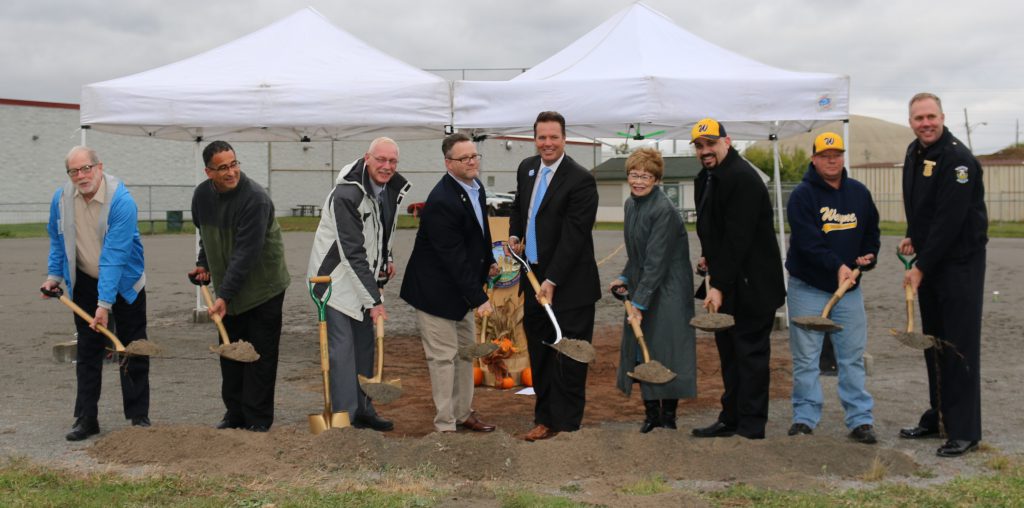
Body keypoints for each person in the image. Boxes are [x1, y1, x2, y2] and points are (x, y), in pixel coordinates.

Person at [897, 93, 988, 457]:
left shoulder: (958, 160)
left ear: (943, 117)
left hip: (959, 264)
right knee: (934, 342)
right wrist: (912, 235)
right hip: (932, 261)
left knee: (958, 345)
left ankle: (965, 430)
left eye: (931, 116)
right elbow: (922, 206)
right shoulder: (914, 152)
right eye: (919, 118)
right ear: (911, 121)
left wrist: (919, 267)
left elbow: (950, 221)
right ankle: (939, 417)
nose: (926, 123)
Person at [42, 145, 150, 441]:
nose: (81, 176)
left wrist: (105, 305)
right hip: (85, 282)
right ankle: (86, 418)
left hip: (126, 283)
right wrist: (54, 276)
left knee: (132, 346)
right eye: (74, 171)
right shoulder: (61, 199)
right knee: (88, 350)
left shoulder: (122, 201)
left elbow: (114, 257)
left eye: (86, 168)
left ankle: (138, 416)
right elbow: (57, 238)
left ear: (99, 167)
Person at [506, 111, 601, 442]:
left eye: (553, 137)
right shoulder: (527, 168)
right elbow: (520, 207)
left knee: (569, 359)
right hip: (532, 280)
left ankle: (568, 425)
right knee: (541, 355)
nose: (547, 143)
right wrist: (515, 234)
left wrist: (553, 280)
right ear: (535, 139)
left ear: (564, 139)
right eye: (542, 137)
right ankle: (545, 419)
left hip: (569, 287)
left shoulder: (580, 179)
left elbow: (575, 236)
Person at [689, 118, 786, 440]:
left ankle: (751, 426)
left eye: (710, 144)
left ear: (727, 141)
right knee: (729, 356)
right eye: (700, 146)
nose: (705, 151)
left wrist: (717, 285)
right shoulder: (705, 178)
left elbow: (737, 239)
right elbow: (713, 230)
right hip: (729, 283)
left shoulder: (743, 178)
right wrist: (708, 258)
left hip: (753, 287)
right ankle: (730, 418)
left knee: (751, 357)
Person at [308, 137, 410, 432]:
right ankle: (342, 422)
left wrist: (386, 258)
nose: (387, 166)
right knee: (343, 352)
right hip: (333, 282)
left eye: (392, 161)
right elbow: (350, 251)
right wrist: (374, 303)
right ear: (367, 158)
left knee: (365, 348)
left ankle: (364, 409)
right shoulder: (346, 195)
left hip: (364, 279)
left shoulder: (386, 189)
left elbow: (381, 231)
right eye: (381, 160)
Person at [785, 132, 880, 444]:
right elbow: (808, 241)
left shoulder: (858, 194)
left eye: (837, 154)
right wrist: (836, 265)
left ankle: (860, 420)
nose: (831, 159)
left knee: (851, 357)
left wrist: (868, 257)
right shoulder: (802, 196)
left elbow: (871, 232)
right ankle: (805, 417)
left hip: (848, 291)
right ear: (814, 159)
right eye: (825, 155)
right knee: (806, 358)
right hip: (808, 288)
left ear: (843, 157)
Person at [400, 133, 499, 433]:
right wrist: (479, 298)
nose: (472, 162)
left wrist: (489, 260)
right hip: (435, 292)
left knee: (465, 354)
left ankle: (463, 413)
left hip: (461, 291)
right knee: (443, 358)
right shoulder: (442, 201)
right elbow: (452, 258)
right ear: (448, 164)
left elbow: (481, 231)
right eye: (464, 158)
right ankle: (445, 425)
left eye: (474, 156)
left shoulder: (476, 187)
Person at [188, 140, 290, 433]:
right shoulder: (201, 197)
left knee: (259, 354)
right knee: (230, 351)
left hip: (264, 287)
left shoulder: (255, 199)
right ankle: (234, 414)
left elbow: (247, 253)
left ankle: (258, 419)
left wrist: (225, 295)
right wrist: (203, 264)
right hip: (229, 290)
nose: (231, 172)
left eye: (234, 164)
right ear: (209, 172)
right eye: (223, 168)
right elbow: (206, 235)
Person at [609, 148, 696, 433]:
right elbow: (638, 253)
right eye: (634, 175)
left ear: (657, 180)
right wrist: (624, 276)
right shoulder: (630, 205)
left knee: (666, 350)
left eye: (646, 176)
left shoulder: (664, 211)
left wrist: (639, 304)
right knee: (640, 349)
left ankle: (668, 417)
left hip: (669, 291)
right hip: (644, 284)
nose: (639, 181)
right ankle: (651, 416)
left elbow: (657, 262)